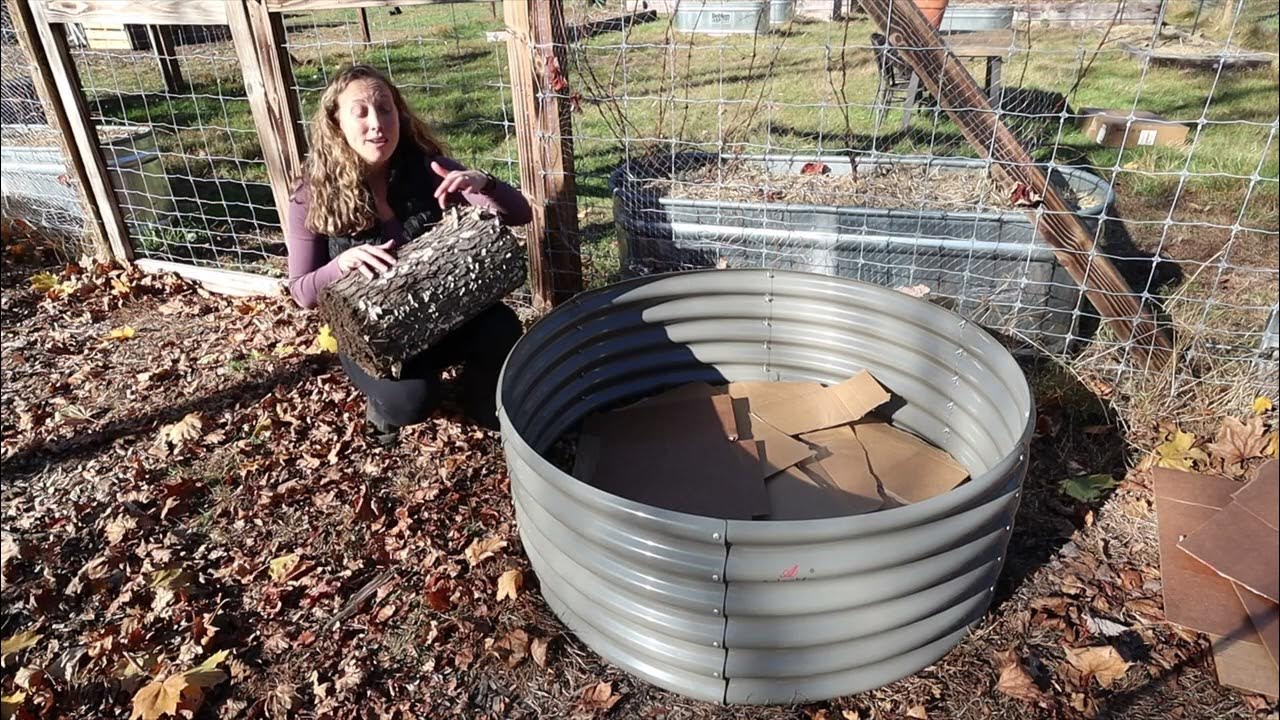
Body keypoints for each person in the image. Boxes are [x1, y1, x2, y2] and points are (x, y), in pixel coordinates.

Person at [285, 64, 532, 444]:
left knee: (502, 327)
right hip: (373, 333)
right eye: (360, 113)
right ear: (336, 124)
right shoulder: (312, 193)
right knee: (410, 403)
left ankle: (479, 398)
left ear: (399, 114)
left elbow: (519, 214)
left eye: (385, 109)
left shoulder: (427, 167)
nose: (376, 124)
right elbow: (301, 291)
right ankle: (385, 400)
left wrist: (483, 183)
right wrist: (342, 264)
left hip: (440, 312)